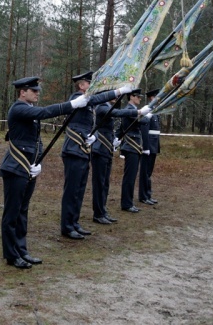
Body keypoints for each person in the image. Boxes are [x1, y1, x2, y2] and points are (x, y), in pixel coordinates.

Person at [0, 77, 89, 268]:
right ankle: (11, 254)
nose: (37, 93)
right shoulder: (18, 108)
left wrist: (38, 161)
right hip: (15, 167)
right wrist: (71, 104)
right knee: (12, 213)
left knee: (23, 211)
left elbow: (35, 140)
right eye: (33, 90)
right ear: (22, 92)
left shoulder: (29, 111)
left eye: (37, 90)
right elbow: (44, 112)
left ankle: (22, 250)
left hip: (28, 167)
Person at [60, 72, 132, 239]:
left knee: (79, 189)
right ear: (81, 86)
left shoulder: (87, 101)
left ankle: (74, 223)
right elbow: (96, 99)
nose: (92, 87)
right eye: (89, 83)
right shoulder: (78, 98)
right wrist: (119, 91)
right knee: (71, 190)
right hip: (73, 149)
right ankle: (67, 225)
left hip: (83, 149)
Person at [91, 95, 144, 224]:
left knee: (105, 183)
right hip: (100, 149)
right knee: (99, 183)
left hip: (106, 148)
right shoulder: (102, 107)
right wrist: (138, 112)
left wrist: (115, 138)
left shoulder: (107, 106)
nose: (115, 97)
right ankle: (98, 214)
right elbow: (118, 113)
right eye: (111, 94)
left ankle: (102, 211)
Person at [119, 89, 151, 212]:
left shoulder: (132, 109)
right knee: (129, 177)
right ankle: (126, 203)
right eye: (137, 96)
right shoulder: (129, 110)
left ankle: (128, 202)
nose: (140, 98)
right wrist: (146, 114)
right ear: (131, 97)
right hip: (131, 146)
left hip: (134, 146)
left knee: (131, 176)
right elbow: (143, 121)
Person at [139, 88, 160, 205]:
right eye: (157, 97)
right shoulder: (147, 110)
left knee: (149, 172)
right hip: (148, 146)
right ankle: (143, 196)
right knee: (145, 172)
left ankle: (148, 194)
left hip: (154, 145)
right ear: (152, 98)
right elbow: (144, 130)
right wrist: (145, 147)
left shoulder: (155, 111)